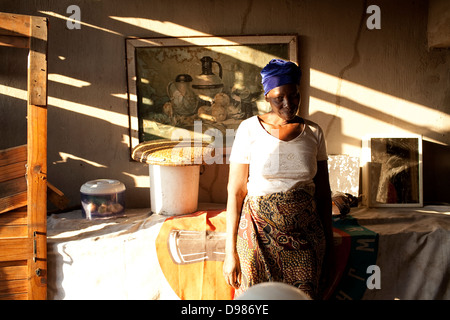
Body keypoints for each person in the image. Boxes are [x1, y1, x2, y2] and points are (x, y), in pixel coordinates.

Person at [223, 59, 335, 300]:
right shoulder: (248, 130)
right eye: (279, 98)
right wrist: (229, 252)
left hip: (305, 239)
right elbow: (236, 192)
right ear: (266, 97)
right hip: (256, 237)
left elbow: (324, 194)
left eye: (294, 96)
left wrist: (330, 246)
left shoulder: (314, 132)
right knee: (256, 302)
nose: (288, 104)